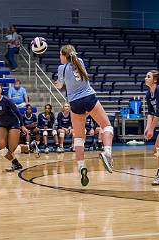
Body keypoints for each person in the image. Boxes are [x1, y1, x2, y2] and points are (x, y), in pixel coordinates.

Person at [54, 44, 114, 186]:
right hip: (89, 97)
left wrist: (56, 83)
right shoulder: (79, 61)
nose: (59, 57)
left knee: (79, 137)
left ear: (64, 55)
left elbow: (60, 85)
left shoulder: (61, 68)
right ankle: (107, 152)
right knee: (107, 126)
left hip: (75, 103)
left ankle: (82, 167)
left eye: (60, 55)